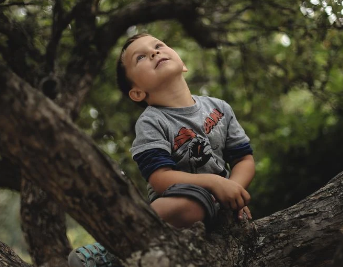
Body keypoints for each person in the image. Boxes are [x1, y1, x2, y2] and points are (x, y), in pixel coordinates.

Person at [68, 33, 255, 267]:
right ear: (137, 92)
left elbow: (243, 158)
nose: (155, 52)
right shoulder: (152, 122)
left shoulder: (219, 108)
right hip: (176, 205)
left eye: (158, 46)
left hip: (221, 208)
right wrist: (214, 183)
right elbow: (160, 178)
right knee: (191, 203)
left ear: (182, 64)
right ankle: (115, 249)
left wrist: (233, 192)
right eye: (141, 57)